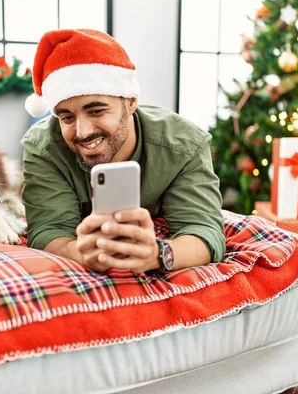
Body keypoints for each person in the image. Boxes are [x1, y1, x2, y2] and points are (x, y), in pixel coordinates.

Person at [21, 29, 225, 274]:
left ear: (130, 102)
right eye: (67, 117)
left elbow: (203, 230)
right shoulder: (43, 148)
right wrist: (81, 254)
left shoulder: (184, 144)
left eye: (96, 111)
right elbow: (49, 231)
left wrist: (158, 254)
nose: (83, 132)